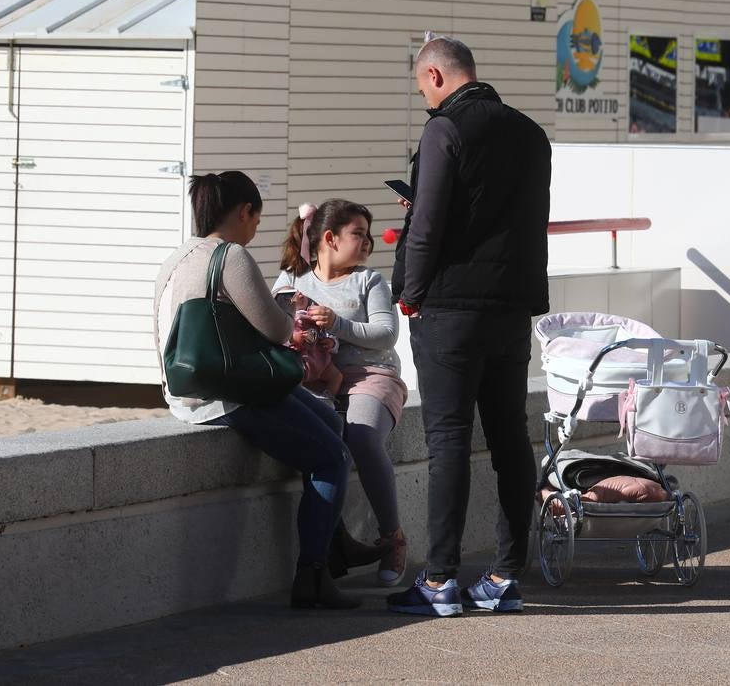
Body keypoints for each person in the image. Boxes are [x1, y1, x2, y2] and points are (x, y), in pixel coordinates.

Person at [386, 35, 551, 617]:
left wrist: (410, 290)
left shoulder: (444, 130)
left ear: (434, 75)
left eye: (423, 90)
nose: (426, 102)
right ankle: (506, 575)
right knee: (510, 438)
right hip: (510, 308)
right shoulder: (531, 133)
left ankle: (439, 581)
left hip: (451, 308)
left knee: (449, 440)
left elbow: (428, 222)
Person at [153, 172, 366, 610]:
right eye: (256, 218)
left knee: (328, 419)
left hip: (188, 389)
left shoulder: (176, 256)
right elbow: (274, 328)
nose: (255, 229)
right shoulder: (231, 256)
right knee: (331, 457)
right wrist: (296, 323)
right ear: (245, 212)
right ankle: (313, 574)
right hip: (228, 392)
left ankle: (335, 543)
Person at [275, 199, 410, 585]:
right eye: (359, 234)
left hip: (371, 374)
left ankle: (392, 536)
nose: (367, 242)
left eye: (369, 235)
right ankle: (333, 543)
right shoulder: (292, 280)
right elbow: (272, 325)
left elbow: (386, 333)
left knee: (363, 436)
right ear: (330, 238)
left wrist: (337, 324)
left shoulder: (370, 281)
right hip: (311, 378)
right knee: (314, 438)